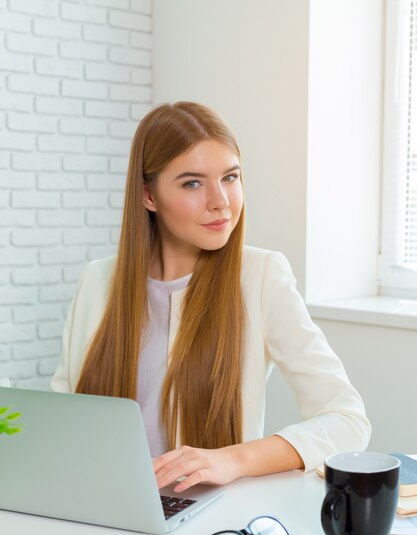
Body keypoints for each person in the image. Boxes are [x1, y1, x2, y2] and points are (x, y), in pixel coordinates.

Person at [51, 101, 371, 494]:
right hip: (102, 507)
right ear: (148, 196)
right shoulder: (98, 280)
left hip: (206, 520)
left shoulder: (261, 276)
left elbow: (347, 419)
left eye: (230, 177)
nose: (220, 201)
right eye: (192, 183)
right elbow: (61, 417)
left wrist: (233, 459)